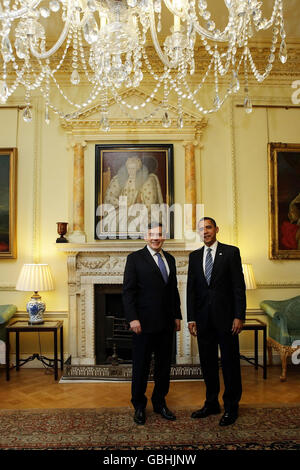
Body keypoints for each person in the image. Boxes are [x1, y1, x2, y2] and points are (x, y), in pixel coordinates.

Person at [187, 217, 246, 426]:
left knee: (230, 364)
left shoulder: (231, 252)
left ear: (216, 229)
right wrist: (191, 318)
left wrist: (239, 316)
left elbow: (239, 287)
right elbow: (191, 289)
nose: (205, 232)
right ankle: (211, 403)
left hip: (227, 320)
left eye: (209, 227)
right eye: (201, 229)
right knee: (208, 364)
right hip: (203, 321)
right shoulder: (194, 257)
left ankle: (231, 406)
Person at [123, 222, 182, 425]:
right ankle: (139, 406)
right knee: (141, 367)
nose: (156, 238)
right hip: (143, 325)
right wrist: (133, 319)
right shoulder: (134, 259)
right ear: (145, 236)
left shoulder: (171, 259)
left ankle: (159, 402)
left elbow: (173, 290)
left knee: (163, 367)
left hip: (166, 324)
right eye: (152, 234)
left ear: (164, 236)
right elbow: (128, 292)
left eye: (159, 234)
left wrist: (177, 316)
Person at [103, 156, 164, 234]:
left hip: (139, 212)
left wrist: (136, 210)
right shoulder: (119, 179)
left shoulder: (147, 180)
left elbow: (150, 202)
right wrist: (121, 204)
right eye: (129, 168)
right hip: (122, 210)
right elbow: (110, 197)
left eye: (133, 169)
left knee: (139, 223)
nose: (131, 171)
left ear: (138, 169)